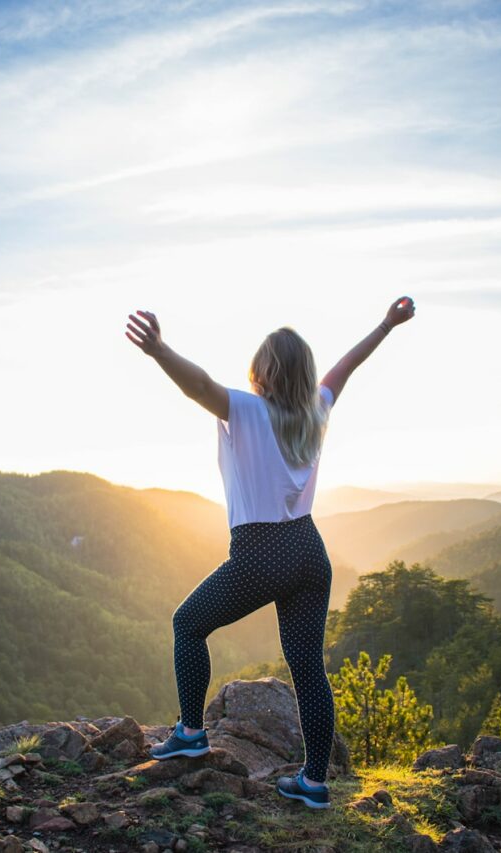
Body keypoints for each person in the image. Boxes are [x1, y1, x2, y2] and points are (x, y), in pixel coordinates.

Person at [125, 295, 416, 809]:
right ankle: (314, 783)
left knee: (187, 623)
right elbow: (347, 365)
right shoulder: (317, 409)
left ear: (263, 370)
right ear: (304, 373)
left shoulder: (248, 409)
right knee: (308, 669)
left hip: (262, 551)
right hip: (309, 550)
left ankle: (191, 732)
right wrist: (386, 325)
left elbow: (199, 386)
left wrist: (159, 350)